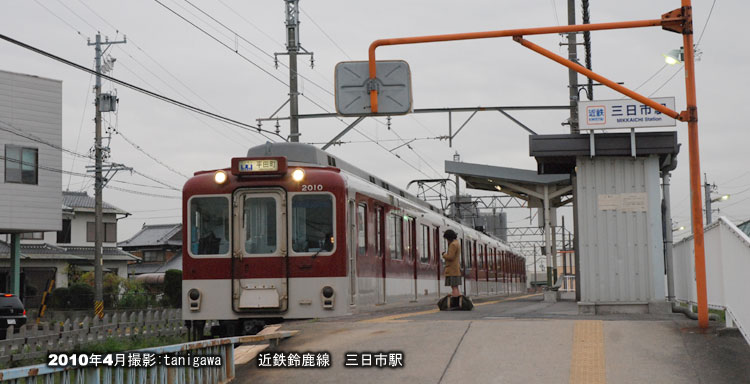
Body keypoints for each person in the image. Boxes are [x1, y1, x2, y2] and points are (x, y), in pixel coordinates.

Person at [441, 229, 462, 297]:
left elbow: (450, 257)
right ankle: (457, 298)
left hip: (452, 269)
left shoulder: (453, 245)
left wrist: (444, 255)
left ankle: (455, 299)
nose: (447, 240)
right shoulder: (457, 243)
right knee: (455, 287)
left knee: (454, 287)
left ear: (449, 237)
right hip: (456, 269)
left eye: (447, 239)